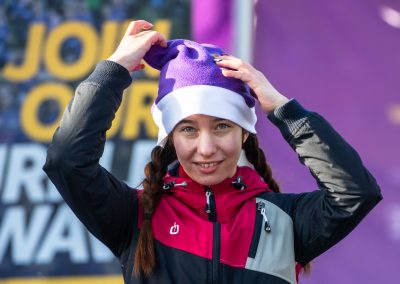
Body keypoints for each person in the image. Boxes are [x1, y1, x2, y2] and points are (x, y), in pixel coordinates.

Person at [43, 20, 382, 284]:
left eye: (222, 126)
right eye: (188, 129)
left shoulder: (286, 220)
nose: (206, 149)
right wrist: (113, 69)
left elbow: (355, 192)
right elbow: (67, 160)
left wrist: (283, 109)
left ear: (245, 133)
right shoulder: (135, 216)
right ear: (170, 137)